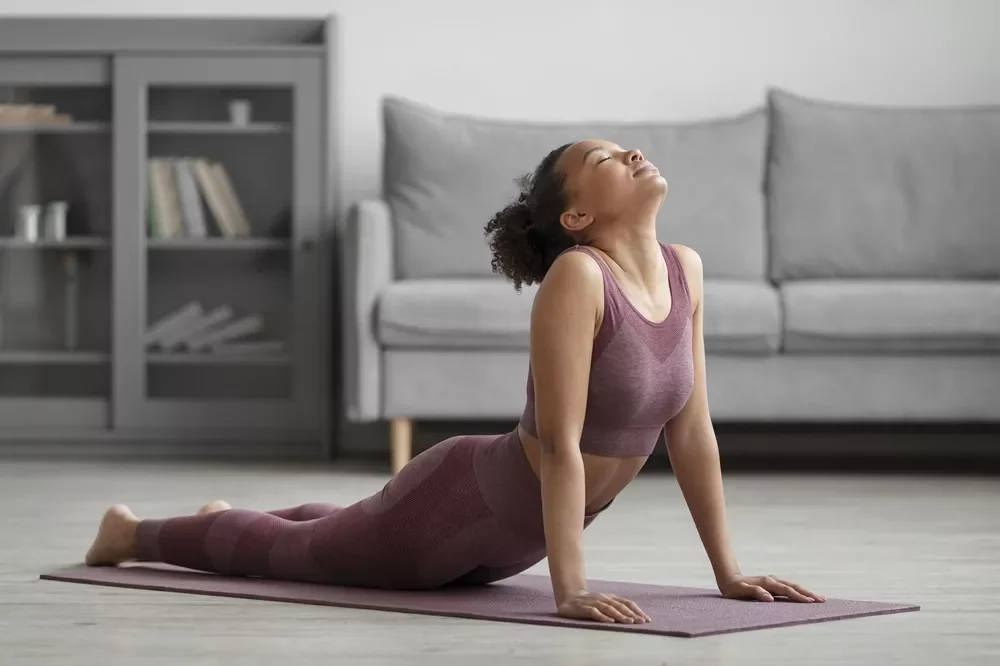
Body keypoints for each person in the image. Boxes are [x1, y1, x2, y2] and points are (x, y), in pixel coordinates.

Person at [84, 139, 824, 625]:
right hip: (458, 505)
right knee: (299, 555)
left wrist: (728, 575)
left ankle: (231, 513)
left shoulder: (683, 268)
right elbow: (563, 447)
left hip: (508, 542)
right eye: (604, 157)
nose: (631, 151)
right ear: (577, 214)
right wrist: (569, 590)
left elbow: (691, 432)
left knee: (347, 526)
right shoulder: (577, 277)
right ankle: (131, 532)